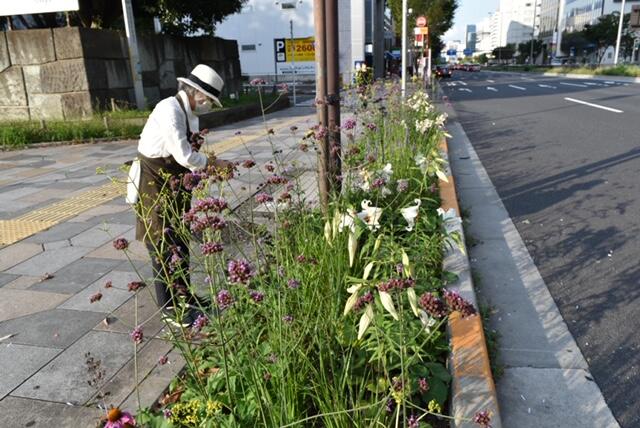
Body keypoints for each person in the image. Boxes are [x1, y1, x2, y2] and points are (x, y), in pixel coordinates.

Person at [135, 64, 228, 325]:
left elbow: (188, 156)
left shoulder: (187, 112)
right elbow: (184, 155)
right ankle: (170, 309)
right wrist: (213, 164)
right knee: (162, 243)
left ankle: (185, 296)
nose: (209, 105)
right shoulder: (170, 110)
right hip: (155, 181)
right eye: (210, 101)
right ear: (199, 95)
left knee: (179, 241)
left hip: (173, 182)